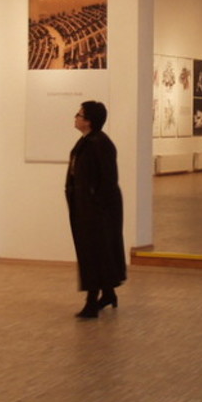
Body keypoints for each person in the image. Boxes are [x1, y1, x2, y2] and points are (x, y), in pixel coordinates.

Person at [65, 100, 126, 318]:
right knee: (96, 253)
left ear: (88, 121)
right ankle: (108, 294)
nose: (76, 117)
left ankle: (92, 301)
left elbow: (108, 179)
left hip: (98, 211)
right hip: (87, 208)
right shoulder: (88, 141)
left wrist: (96, 204)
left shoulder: (99, 143)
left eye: (79, 114)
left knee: (95, 253)